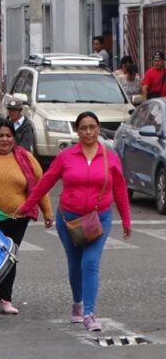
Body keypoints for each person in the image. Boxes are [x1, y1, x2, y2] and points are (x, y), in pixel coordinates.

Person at [16, 111, 132, 331]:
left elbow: (120, 189)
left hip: (99, 219)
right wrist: (28, 204)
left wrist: (126, 219)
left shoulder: (110, 157)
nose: (88, 132)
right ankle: (77, 304)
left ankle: (89, 313)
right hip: (68, 219)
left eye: (92, 127)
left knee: (90, 263)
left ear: (98, 129)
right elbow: (46, 182)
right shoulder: (66, 156)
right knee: (75, 264)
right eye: (83, 128)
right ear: (77, 131)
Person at [0, 119, 53, 314]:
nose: (5, 139)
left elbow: (40, 185)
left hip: (18, 217)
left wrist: (48, 212)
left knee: (9, 256)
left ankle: (6, 299)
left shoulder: (25, 158)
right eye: (0, 135)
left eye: (9, 136)